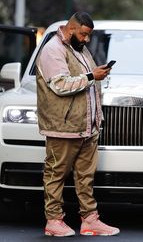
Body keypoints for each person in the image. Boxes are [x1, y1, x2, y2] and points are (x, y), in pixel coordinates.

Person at [36, 12, 120, 237]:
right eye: (84, 34)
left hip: (86, 126)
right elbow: (60, 84)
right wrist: (93, 75)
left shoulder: (79, 49)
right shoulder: (53, 50)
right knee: (55, 174)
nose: (86, 39)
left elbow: (87, 81)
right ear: (71, 29)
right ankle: (53, 221)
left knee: (86, 177)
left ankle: (90, 221)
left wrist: (96, 118)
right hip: (62, 127)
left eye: (89, 35)